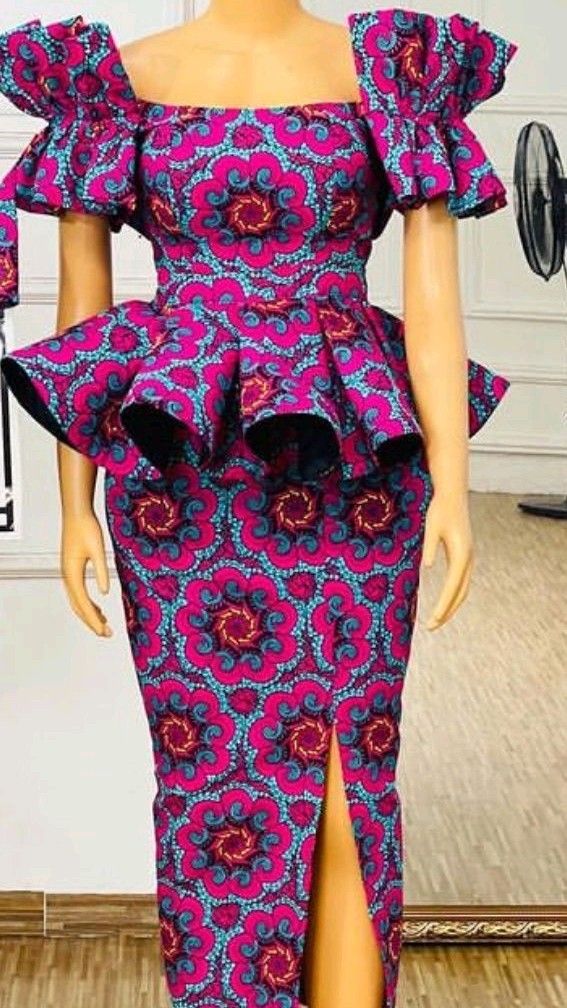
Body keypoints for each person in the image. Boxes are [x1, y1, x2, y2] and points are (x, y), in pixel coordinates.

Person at [0, 4, 517, 1007]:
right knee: (209, 784)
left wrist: (452, 487)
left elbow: (434, 295)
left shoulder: (393, 72)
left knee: (350, 771)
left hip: (353, 462)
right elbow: (82, 305)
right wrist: (75, 503)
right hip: (180, 468)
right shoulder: (109, 82)